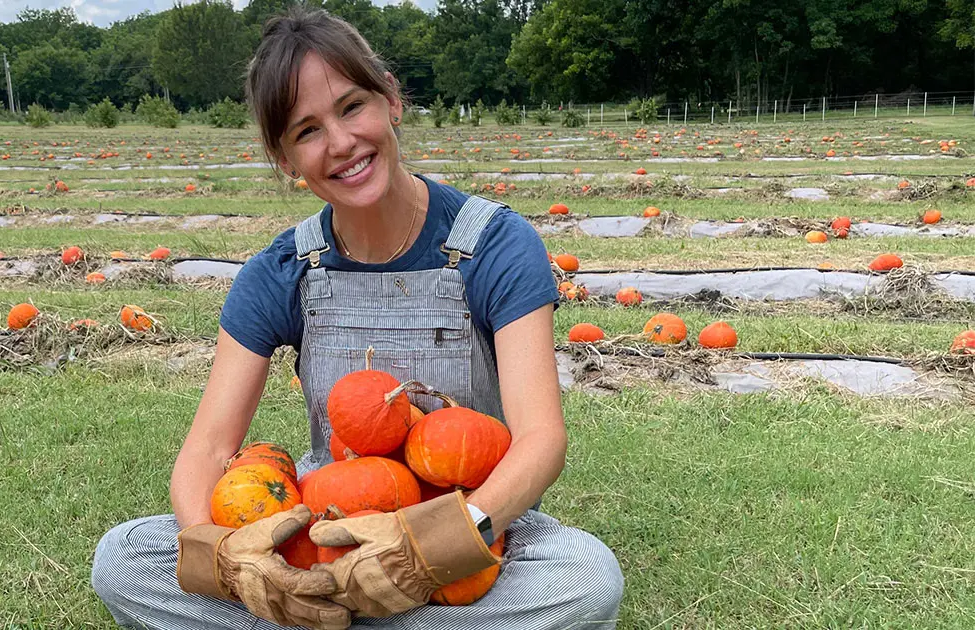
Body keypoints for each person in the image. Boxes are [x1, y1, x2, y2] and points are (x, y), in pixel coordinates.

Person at [92, 8, 624, 629]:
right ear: (285, 158)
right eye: (307, 131)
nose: (341, 143)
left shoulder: (495, 245)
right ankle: (343, 610)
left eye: (351, 107)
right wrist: (226, 560)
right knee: (123, 558)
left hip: (471, 516)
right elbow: (208, 448)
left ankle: (324, 618)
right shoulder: (283, 268)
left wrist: (432, 551)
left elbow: (540, 442)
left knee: (586, 580)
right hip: (332, 521)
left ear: (391, 100)